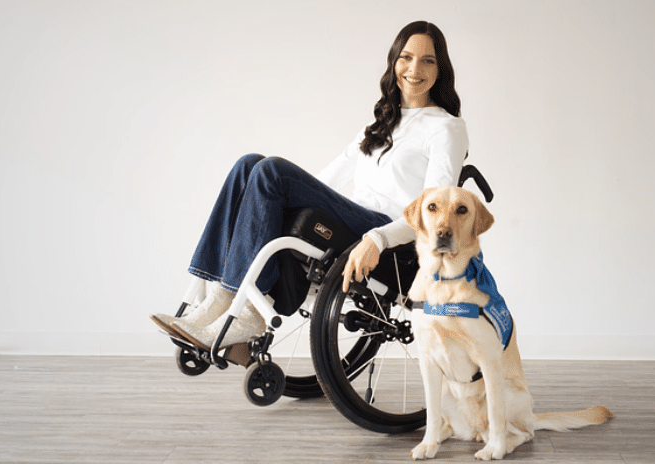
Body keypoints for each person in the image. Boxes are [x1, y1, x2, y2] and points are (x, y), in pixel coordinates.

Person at [150, 20, 469, 351]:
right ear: (394, 62)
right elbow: (325, 181)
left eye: (427, 60)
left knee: (272, 171)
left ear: (440, 69)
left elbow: (436, 214)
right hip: (355, 215)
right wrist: (273, 195)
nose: (414, 69)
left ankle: (243, 310)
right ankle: (216, 296)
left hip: (387, 229)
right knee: (250, 166)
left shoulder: (447, 128)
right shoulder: (380, 123)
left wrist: (378, 238)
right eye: (406, 57)